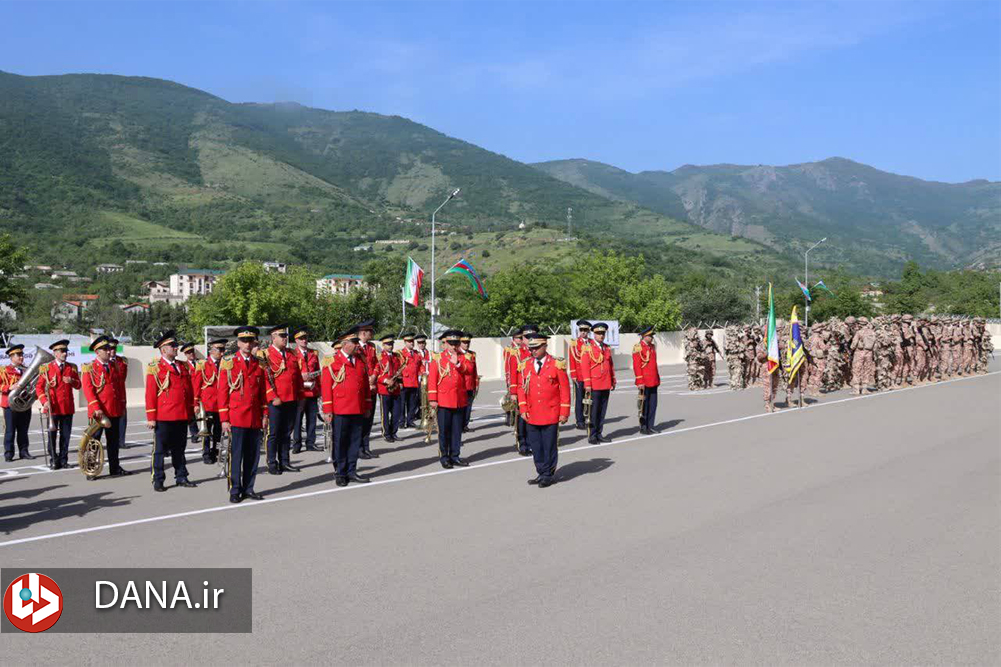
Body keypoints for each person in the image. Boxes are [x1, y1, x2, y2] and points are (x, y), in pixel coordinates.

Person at [219, 327, 267, 503]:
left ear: (254, 342)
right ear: (238, 343)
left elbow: (263, 393)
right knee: (236, 456)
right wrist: (224, 419)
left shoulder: (259, 363)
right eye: (244, 341)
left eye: (250, 341)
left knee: (253, 457)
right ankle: (235, 490)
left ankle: (249, 488)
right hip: (237, 418)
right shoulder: (229, 362)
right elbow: (222, 392)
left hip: (254, 418)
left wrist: (265, 415)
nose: (247, 344)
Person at [516, 333, 570, 488]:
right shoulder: (525, 364)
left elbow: (564, 389)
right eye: (531, 348)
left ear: (545, 346)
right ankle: (541, 472)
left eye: (536, 348)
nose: (533, 351)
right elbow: (521, 388)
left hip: (551, 412)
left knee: (549, 445)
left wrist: (564, 412)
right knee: (536, 445)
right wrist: (523, 408)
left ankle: (548, 474)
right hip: (532, 413)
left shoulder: (556, 364)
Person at [145, 330, 196, 491]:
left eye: (176, 345)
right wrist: (151, 417)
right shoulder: (155, 367)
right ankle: (158, 479)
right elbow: (150, 394)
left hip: (181, 415)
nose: (176, 347)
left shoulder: (182, 365)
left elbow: (188, 391)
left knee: (179, 449)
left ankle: (181, 476)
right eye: (172, 345)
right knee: (160, 450)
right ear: (163, 350)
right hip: (164, 416)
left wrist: (190, 412)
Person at [321, 327, 372, 486]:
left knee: (354, 442)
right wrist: (328, 410)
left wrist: (367, 404)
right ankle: (340, 472)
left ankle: (351, 470)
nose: (357, 344)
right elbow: (326, 388)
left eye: (357, 341)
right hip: (340, 409)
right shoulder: (332, 362)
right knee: (341, 442)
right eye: (354, 342)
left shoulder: (359, 360)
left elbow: (364, 386)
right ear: (344, 344)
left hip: (357, 408)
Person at [82, 335, 129, 477]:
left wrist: (121, 405)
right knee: (94, 442)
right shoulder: (89, 368)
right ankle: (91, 470)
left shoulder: (114, 366)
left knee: (113, 442)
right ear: (97, 352)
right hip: (99, 412)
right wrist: (96, 408)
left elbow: (118, 387)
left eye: (109, 349)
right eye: (105, 349)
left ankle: (114, 468)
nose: (109, 352)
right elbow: (88, 390)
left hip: (113, 410)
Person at [261, 325, 303, 474]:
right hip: (276, 401)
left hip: (291, 399)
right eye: (282, 336)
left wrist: (300, 395)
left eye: (286, 336)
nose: (285, 339)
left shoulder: (291, 354)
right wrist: (273, 396)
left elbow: (296, 377)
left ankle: (285, 461)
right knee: (273, 433)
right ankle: (272, 462)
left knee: (286, 433)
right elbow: (264, 379)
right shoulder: (266, 355)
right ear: (273, 337)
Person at [428, 329, 471, 469]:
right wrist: (433, 398)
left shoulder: (463, 357)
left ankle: (455, 456)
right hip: (444, 400)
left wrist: (458, 363)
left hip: (458, 399)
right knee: (444, 431)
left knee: (456, 430)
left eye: (456, 343)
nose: (453, 346)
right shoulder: (437, 358)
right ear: (445, 343)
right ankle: (444, 457)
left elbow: (469, 371)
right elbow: (432, 379)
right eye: (451, 343)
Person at [35, 339, 80, 470]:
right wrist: (44, 401)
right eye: (62, 351)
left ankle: (64, 460)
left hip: (67, 407)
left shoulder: (71, 367)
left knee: (65, 436)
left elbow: (79, 385)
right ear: (55, 353)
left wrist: (72, 381)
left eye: (66, 351)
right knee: (52, 436)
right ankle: (54, 459)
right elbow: (39, 388)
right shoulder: (46, 368)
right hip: (53, 408)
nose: (65, 354)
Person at [580, 322, 615, 444]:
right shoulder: (587, 348)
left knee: (602, 411)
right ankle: (592, 435)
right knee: (593, 411)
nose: (601, 335)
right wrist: (587, 384)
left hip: (605, 383)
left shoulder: (606, 347)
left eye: (603, 333)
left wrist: (613, 380)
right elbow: (585, 367)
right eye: (598, 333)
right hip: (594, 384)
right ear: (593, 334)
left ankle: (599, 433)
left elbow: (610, 366)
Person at [195, 338, 227, 464]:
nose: (222, 353)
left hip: (221, 405)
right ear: (212, 350)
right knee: (206, 431)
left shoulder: (225, 364)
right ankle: (206, 453)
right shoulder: (203, 364)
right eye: (220, 350)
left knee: (218, 432)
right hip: (207, 404)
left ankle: (216, 451)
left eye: (223, 349)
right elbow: (196, 385)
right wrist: (196, 403)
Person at [292, 326, 321, 453]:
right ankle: (297, 444)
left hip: (312, 390)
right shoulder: (292, 354)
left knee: (312, 419)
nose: (304, 341)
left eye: (305, 338)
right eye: (301, 339)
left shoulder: (313, 353)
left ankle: (310, 443)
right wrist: (300, 376)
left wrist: (320, 391)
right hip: (300, 392)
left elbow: (318, 372)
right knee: (297, 419)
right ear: (296, 341)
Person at [1, 344, 32, 460]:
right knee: (10, 430)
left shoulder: (27, 370)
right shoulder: (4, 370)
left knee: (23, 430)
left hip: (24, 404)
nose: (21, 357)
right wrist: (9, 387)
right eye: (18, 355)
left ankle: (24, 451)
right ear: (11, 357)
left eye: (22, 355)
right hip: (10, 405)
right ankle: (9, 453)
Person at [507, 325, 535, 455]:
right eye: (526, 337)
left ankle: (532, 442)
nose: (529, 340)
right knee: (522, 419)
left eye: (532, 337)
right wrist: (513, 392)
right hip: (522, 390)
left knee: (534, 418)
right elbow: (513, 373)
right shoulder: (516, 352)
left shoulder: (537, 351)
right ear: (522, 338)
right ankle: (522, 443)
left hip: (535, 391)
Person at [355, 320, 380, 459]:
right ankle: (358, 448)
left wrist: (374, 375)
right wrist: (367, 380)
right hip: (362, 389)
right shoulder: (356, 347)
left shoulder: (371, 347)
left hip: (372, 387)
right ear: (363, 333)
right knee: (360, 420)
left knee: (369, 419)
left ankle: (366, 447)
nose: (371, 334)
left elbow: (376, 363)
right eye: (370, 331)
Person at [632, 326, 661, 434]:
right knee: (644, 405)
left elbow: (654, 364)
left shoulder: (652, 347)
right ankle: (643, 427)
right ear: (644, 336)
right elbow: (637, 365)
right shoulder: (638, 347)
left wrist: (657, 378)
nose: (652, 337)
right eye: (650, 336)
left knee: (653, 404)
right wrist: (639, 381)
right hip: (644, 381)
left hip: (653, 380)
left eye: (652, 335)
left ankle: (650, 425)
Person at [376, 334, 403, 443]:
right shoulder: (379, 357)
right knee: (385, 413)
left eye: (391, 344)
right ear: (383, 345)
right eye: (388, 344)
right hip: (384, 389)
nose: (390, 346)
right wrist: (385, 380)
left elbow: (399, 370)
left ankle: (394, 432)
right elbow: (376, 372)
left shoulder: (396, 356)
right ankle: (386, 433)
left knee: (396, 412)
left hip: (395, 388)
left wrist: (400, 381)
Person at [568, 320, 592, 430]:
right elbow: (572, 359)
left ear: (589, 331)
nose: (584, 332)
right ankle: (580, 420)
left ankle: (589, 417)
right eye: (582, 330)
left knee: (590, 398)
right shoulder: (574, 343)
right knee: (579, 399)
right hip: (579, 375)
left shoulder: (592, 343)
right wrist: (573, 374)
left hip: (591, 376)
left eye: (586, 330)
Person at [108, 338, 129, 453]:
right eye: (110, 348)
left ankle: (121, 441)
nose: (112, 351)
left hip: (121, 394)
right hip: (110, 397)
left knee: (122, 419)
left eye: (114, 348)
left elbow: (122, 378)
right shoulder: (105, 363)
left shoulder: (122, 361)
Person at [399, 332, 423, 428]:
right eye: (409, 341)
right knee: (402, 404)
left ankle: (410, 420)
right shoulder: (401, 353)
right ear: (405, 342)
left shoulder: (416, 353)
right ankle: (401, 421)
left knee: (412, 404)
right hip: (404, 381)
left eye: (412, 341)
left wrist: (421, 374)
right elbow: (399, 367)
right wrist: (400, 380)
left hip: (414, 382)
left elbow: (420, 366)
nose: (411, 343)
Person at [180, 342, 201, 444]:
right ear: (185, 354)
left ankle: (208, 433)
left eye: (192, 351)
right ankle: (194, 433)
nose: (191, 354)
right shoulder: (184, 366)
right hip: (192, 393)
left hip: (202, 392)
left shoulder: (201, 363)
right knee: (191, 415)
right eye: (188, 353)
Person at [459, 332, 479, 432]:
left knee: (468, 407)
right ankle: (459, 425)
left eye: (468, 342)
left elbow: (474, 370)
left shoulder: (472, 354)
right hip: (461, 385)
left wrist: (476, 384)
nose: (466, 344)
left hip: (470, 384)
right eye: (464, 342)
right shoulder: (457, 354)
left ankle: (465, 425)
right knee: (460, 407)